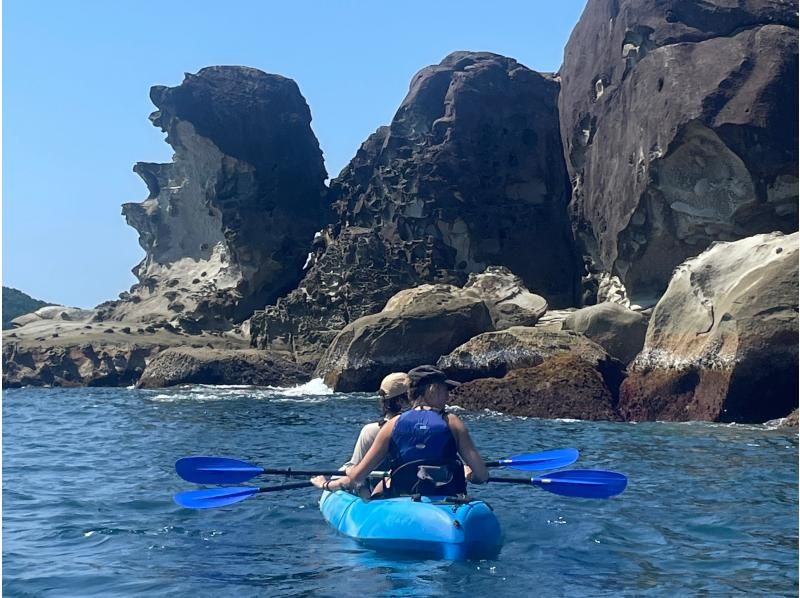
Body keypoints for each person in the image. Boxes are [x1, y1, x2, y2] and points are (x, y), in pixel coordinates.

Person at [311, 365, 489, 497]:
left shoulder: (392, 424)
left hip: (404, 501)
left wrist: (341, 476)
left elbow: (357, 476)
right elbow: (482, 475)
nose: (448, 396)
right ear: (432, 390)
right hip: (448, 501)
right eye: (444, 390)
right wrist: (469, 474)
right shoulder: (453, 422)